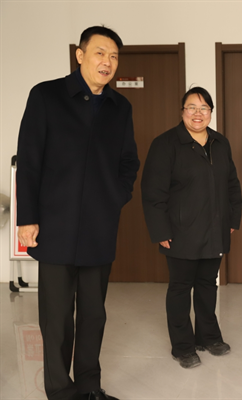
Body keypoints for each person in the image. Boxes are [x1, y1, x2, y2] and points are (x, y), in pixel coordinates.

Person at [16, 26, 139, 400]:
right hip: (55, 224)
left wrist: (114, 197)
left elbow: (129, 162)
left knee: (93, 314)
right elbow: (30, 161)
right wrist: (27, 218)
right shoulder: (46, 95)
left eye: (114, 56)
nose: (107, 62)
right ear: (80, 55)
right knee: (56, 317)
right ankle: (60, 390)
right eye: (100, 53)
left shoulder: (120, 107)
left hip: (99, 226)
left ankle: (89, 386)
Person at [141, 87, 242, 369]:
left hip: (215, 229)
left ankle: (208, 337)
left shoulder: (220, 143)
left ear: (211, 112)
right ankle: (183, 346)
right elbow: (152, 192)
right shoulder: (166, 144)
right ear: (182, 111)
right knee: (180, 288)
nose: (198, 113)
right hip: (180, 231)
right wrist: (160, 231)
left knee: (208, 285)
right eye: (192, 107)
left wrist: (232, 220)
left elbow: (232, 185)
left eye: (204, 108)